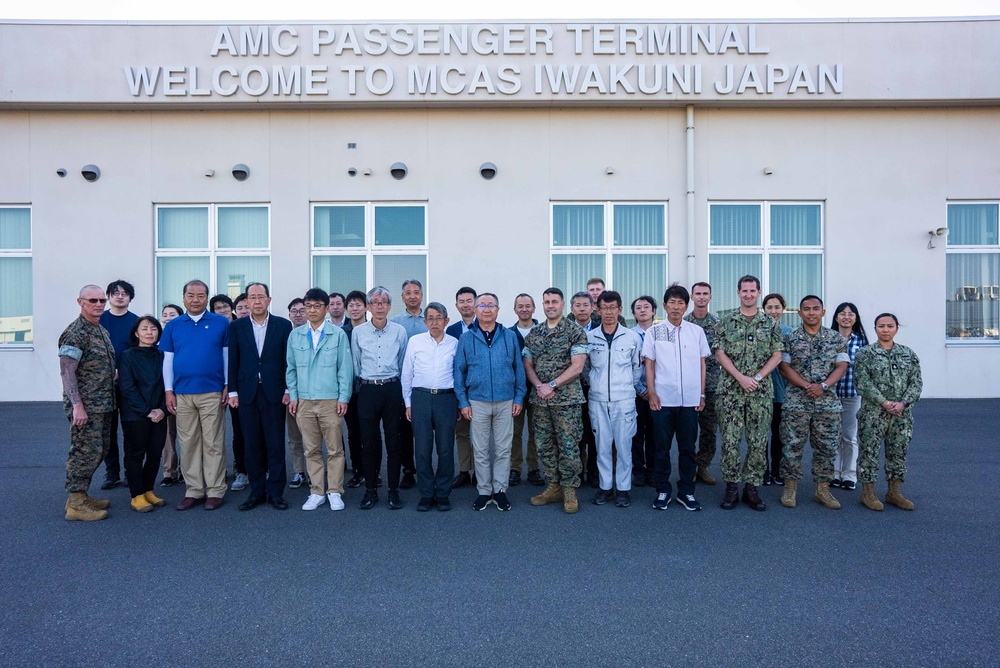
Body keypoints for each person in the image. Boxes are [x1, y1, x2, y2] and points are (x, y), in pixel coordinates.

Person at [714, 275, 783, 511]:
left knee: (757, 441)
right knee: (730, 442)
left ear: (759, 292)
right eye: (744, 290)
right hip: (730, 392)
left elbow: (777, 354)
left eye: (752, 291)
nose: (748, 294)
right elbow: (719, 353)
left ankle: (752, 487)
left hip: (760, 392)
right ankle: (732, 487)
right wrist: (740, 378)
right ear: (738, 293)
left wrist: (756, 378)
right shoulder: (726, 321)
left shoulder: (770, 323)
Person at [161, 279, 230, 511]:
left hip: (212, 391)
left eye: (200, 295)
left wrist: (227, 384)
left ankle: (215, 490)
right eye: (191, 295)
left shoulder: (221, 323)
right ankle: (194, 490)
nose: (195, 299)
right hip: (182, 394)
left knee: (213, 442)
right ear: (183, 298)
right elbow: (167, 360)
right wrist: (168, 390)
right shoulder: (173, 325)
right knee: (189, 442)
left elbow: (226, 356)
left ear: (206, 297)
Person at [455, 294, 527, 512]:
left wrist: (519, 396)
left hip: (506, 401)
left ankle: (500, 490)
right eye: (482, 305)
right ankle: (484, 491)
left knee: (504, 449)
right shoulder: (467, 339)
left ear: (498, 309)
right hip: (477, 401)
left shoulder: (509, 336)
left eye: (491, 305)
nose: (487, 309)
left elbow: (519, 368)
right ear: (476, 310)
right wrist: (463, 402)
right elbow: (459, 372)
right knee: (481, 449)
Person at [777, 296, 850, 510]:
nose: (811, 312)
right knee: (791, 446)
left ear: (823, 312)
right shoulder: (790, 338)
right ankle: (790, 488)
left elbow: (842, 365)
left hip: (827, 403)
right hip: (796, 403)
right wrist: (807, 386)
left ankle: (823, 489)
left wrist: (823, 386)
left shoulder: (836, 338)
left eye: (815, 309)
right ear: (799, 313)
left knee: (826, 448)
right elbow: (784, 367)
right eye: (806, 309)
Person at [287, 288, 353, 512]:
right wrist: (294, 396)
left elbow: (345, 369)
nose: (312, 311)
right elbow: (291, 369)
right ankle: (316, 491)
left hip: (330, 400)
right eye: (308, 306)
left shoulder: (338, 334)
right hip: (305, 401)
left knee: (335, 449)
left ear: (326, 309)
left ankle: (334, 491)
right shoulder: (295, 335)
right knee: (311, 449)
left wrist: (343, 397)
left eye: (317, 306)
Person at [644, 285, 710, 512]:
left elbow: (702, 364)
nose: (676, 307)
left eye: (680, 303)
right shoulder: (654, 332)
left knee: (687, 448)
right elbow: (649, 364)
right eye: (671, 302)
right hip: (663, 400)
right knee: (661, 447)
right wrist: (652, 392)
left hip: (690, 400)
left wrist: (701, 393)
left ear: (686, 305)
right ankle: (663, 490)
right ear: (664, 305)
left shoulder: (696, 332)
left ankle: (686, 492)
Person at [228, 282, 293, 511]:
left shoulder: (283, 326)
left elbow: (288, 361)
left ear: (269, 299)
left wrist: (288, 389)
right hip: (246, 393)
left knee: (275, 443)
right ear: (246, 301)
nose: (256, 301)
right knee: (251, 443)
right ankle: (256, 492)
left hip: (274, 392)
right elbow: (233, 360)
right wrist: (233, 391)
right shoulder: (236, 327)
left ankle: (275, 492)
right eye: (251, 297)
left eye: (260, 296)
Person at [523, 288, 588, 514]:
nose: (550, 305)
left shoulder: (575, 332)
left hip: (566, 401)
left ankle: (569, 489)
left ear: (562, 305)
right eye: (546, 302)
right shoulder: (534, 333)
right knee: (544, 445)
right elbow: (528, 363)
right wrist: (539, 386)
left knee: (569, 446)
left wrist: (552, 385)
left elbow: (577, 366)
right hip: (540, 401)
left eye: (554, 301)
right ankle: (553, 486)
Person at [854, 313, 923, 511]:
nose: (885, 330)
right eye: (881, 326)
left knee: (898, 452)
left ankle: (894, 492)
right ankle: (868, 493)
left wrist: (903, 403)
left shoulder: (908, 354)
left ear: (896, 329)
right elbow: (862, 382)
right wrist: (884, 402)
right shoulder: (865, 354)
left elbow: (916, 382)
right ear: (875, 328)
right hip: (873, 413)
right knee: (869, 452)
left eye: (889, 326)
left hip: (901, 414)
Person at [60, 285, 116, 521]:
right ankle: (75, 503)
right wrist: (77, 405)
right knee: (84, 451)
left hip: (103, 403)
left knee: (99, 449)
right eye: (93, 300)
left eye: (102, 300)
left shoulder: (100, 329)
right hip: (86, 406)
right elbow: (66, 371)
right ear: (80, 302)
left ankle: (81, 495)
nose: (99, 304)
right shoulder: (76, 332)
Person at [585, 291, 643, 508]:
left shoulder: (632, 338)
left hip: (624, 400)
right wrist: (597, 383)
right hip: (598, 400)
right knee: (602, 445)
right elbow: (586, 368)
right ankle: (605, 487)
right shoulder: (590, 338)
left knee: (624, 445)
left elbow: (637, 369)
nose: (609, 312)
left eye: (613, 307)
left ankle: (623, 489)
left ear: (620, 309)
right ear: (597, 310)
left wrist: (625, 386)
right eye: (604, 308)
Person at [353, 286, 409, 510]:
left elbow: (404, 363)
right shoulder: (358, 332)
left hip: (392, 388)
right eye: (375, 302)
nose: (379, 306)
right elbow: (356, 364)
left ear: (389, 306)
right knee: (368, 442)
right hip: (367, 390)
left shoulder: (399, 331)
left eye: (384, 302)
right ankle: (370, 490)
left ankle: (393, 491)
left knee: (393, 442)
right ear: (368, 307)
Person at [403, 303, 459, 512]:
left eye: (439, 318)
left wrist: (459, 403)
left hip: (446, 399)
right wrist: (408, 403)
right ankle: (426, 493)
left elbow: (459, 375)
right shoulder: (415, 342)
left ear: (446, 321)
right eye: (430, 318)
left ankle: (443, 493)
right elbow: (407, 374)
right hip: (421, 399)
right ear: (425, 321)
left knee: (445, 449)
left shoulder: (454, 343)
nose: (434, 322)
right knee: (423, 449)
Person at [118, 315, 169, 513]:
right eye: (145, 329)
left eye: (154, 329)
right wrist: (147, 411)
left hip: (159, 414)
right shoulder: (127, 356)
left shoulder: (162, 355)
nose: (149, 332)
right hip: (135, 415)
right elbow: (127, 387)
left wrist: (162, 410)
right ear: (136, 333)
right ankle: (136, 495)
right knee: (135, 454)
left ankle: (148, 490)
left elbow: (168, 385)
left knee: (155, 454)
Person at [98, 279, 139, 490]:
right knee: (109, 431)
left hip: (130, 385)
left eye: (125, 293)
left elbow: (140, 353)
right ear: (108, 296)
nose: (120, 296)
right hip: (104, 386)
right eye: (115, 293)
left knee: (131, 428)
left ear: (130, 297)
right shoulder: (99, 320)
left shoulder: (137, 322)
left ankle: (131, 473)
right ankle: (111, 473)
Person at [684, 282, 721, 486]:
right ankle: (689, 467)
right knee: (688, 429)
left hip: (712, 384)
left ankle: (703, 466)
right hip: (688, 383)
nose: (701, 297)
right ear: (692, 297)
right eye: (697, 294)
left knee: (709, 429)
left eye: (705, 293)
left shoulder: (718, 324)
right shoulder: (683, 322)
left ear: (710, 297)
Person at [390, 279, 426, 489]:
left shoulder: (430, 318)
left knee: (424, 430)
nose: (412, 296)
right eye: (408, 293)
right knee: (404, 430)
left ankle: (425, 468)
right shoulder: (395, 322)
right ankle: (407, 469)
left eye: (416, 292)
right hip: (403, 384)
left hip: (426, 383)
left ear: (422, 295)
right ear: (402, 297)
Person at [211, 293, 248, 492]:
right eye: (218, 308)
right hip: (216, 384)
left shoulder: (238, 326)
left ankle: (251, 467)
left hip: (240, 386)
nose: (223, 310)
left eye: (226, 307)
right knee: (219, 431)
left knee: (246, 428)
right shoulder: (216, 327)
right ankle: (232, 468)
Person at [831, 302, 868, 491]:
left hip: (853, 395)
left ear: (856, 318)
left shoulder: (861, 341)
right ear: (836, 317)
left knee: (849, 436)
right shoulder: (828, 338)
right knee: (832, 435)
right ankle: (834, 473)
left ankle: (849, 475)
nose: (846, 317)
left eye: (850, 314)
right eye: (842, 313)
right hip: (830, 394)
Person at [446, 287, 478, 490]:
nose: (465, 304)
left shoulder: (485, 327)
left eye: (469, 300)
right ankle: (465, 471)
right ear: (456, 305)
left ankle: (481, 473)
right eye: (461, 301)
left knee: (483, 433)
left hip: (480, 388)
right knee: (462, 433)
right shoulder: (451, 331)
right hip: (459, 389)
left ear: (475, 304)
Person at [510, 293, 542, 486]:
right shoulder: (507, 333)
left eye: (527, 305)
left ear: (533, 308)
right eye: (520, 306)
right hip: (515, 392)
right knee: (514, 431)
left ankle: (533, 468)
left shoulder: (542, 331)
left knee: (535, 431)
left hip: (538, 389)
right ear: (515, 310)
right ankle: (514, 468)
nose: (524, 309)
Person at [762, 293, 793, 486]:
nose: (773, 311)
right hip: (761, 391)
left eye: (777, 307)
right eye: (769, 307)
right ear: (763, 309)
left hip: (783, 391)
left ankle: (777, 470)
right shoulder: (758, 330)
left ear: (783, 309)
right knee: (761, 434)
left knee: (780, 434)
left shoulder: (789, 332)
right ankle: (762, 470)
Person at [570, 291, 599, 486]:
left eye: (585, 305)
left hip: (595, 389)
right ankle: (578, 471)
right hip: (572, 388)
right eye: (577, 305)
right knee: (576, 433)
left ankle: (595, 471)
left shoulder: (600, 329)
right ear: (571, 309)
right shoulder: (566, 331)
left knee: (596, 431)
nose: (582, 309)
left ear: (592, 307)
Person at [342, 290, 370, 489]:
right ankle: (358, 471)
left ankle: (373, 472)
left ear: (366, 307)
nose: (354, 308)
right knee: (353, 432)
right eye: (351, 305)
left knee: (371, 433)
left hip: (369, 389)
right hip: (349, 390)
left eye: (358, 304)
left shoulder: (372, 329)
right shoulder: (341, 332)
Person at [630, 295, 657, 487]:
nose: (642, 310)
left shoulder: (662, 333)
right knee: (637, 434)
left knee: (656, 434)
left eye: (646, 307)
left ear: (654, 311)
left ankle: (654, 470)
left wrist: (653, 389)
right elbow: (627, 366)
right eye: (638, 308)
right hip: (636, 392)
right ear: (633, 313)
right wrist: (641, 388)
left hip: (658, 392)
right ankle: (638, 470)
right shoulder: (629, 335)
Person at [159, 304, 184, 487]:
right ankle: (169, 471)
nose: (168, 318)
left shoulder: (182, 336)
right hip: (163, 393)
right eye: (165, 315)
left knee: (186, 432)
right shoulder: (155, 339)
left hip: (183, 391)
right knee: (168, 433)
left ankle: (186, 469)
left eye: (172, 314)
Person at [286, 298, 309, 489]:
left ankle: (317, 471)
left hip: (313, 394)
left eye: (302, 310)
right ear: (289, 315)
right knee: (294, 435)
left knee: (316, 437)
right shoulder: (285, 335)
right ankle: (299, 471)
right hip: (291, 394)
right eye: (294, 311)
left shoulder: (314, 333)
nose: (299, 314)